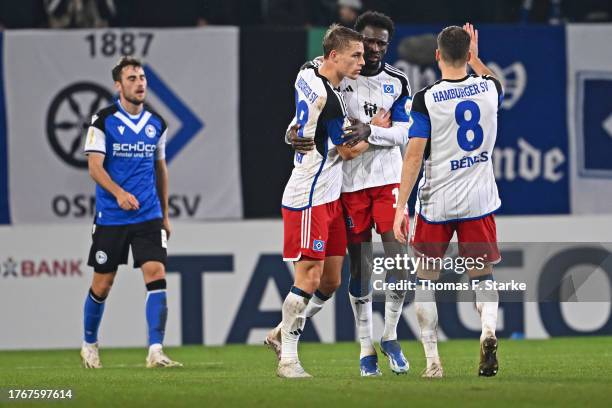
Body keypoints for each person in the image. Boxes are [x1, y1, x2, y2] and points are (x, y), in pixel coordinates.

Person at [275, 11, 413, 377]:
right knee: (344, 272)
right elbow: (344, 146)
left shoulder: (315, 73)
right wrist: (368, 132)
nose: (370, 52)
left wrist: (371, 130)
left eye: (381, 43)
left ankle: (391, 335)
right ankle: (309, 351)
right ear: (341, 52)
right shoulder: (333, 92)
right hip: (333, 189)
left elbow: (405, 133)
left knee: (342, 277)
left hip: (378, 183)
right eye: (363, 45)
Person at [393, 23, 503, 378]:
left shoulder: (425, 98)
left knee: (425, 279)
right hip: (478, 201)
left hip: (437, 202)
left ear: (437, 55)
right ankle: (487, 330)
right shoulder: (489, 89)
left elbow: (413, 157)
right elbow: (490, 78)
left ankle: (433, 363)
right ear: (468, 54)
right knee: (483, 276)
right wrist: (477, 57)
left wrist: (400, 208)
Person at [273, 24, 367, 378]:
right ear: (334, 56)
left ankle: (280, 332)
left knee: (330, 281)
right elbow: (349, 150)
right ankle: (288, 359)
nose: (362, 61)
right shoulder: (332, 102)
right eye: (355, 55)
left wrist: (292, 132)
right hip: (309, 196)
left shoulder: (307, 71)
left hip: (329, 196)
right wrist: (375, 132)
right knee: (309, 277)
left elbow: (299, 121)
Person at [80, 56, 181, 369]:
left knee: (156, 273)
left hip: (148, 215)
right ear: (118, 86)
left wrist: (164, 215)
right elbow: (94, 167)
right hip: (112, 216)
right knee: (103, 284)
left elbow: (160, 169)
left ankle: (155, 350)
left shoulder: (156, 124)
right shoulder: (103, 120)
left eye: (141, 78)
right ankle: (89, 343)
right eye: (132, 78)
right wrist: (119, 193)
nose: (139, 83)